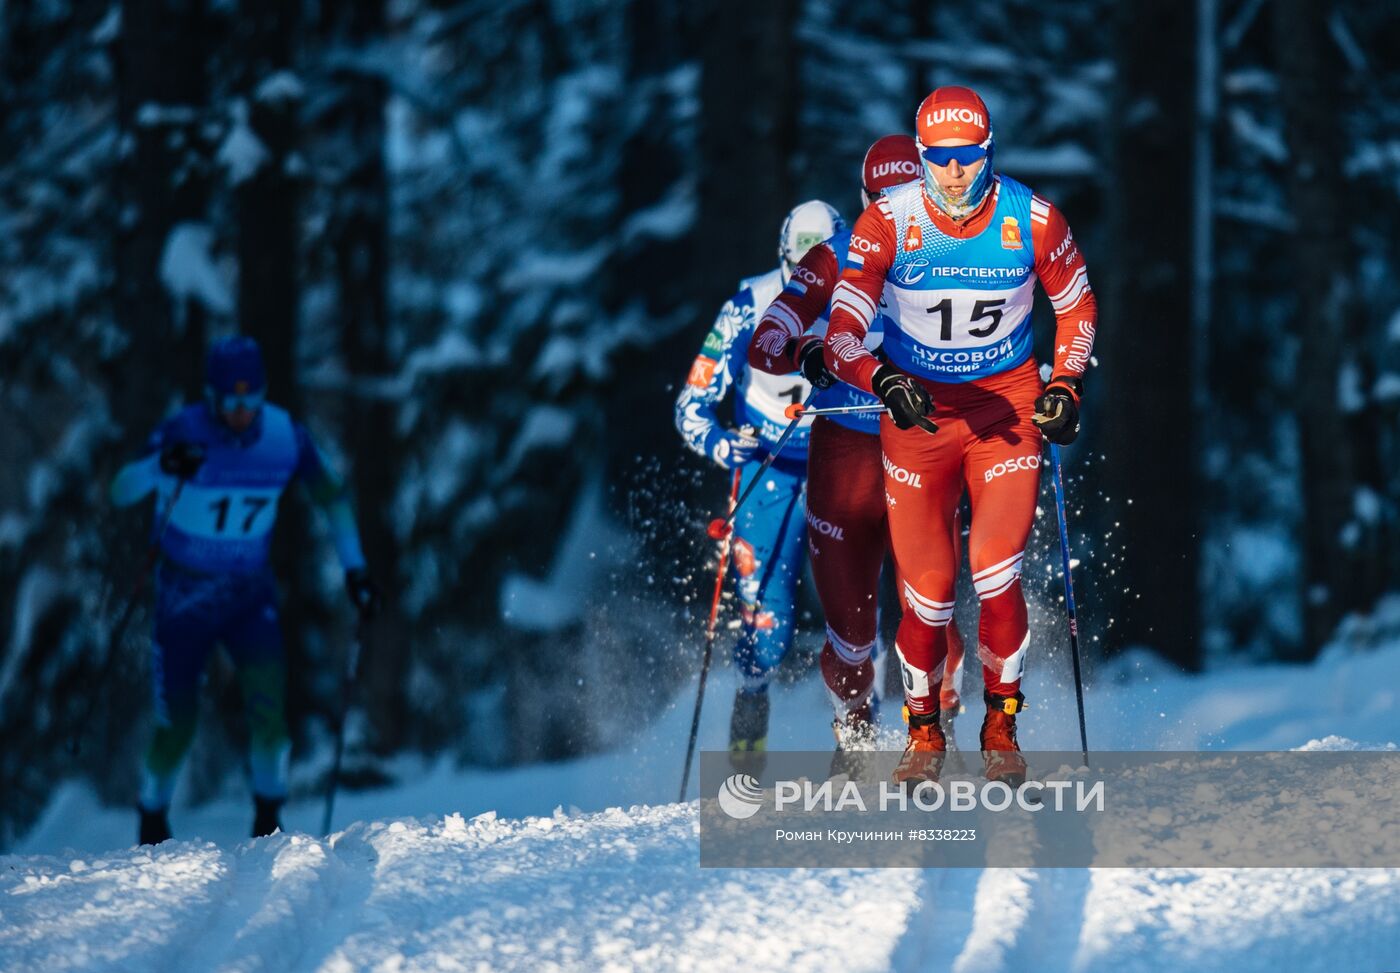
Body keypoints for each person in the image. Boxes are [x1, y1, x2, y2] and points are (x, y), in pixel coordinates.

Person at [822, 86, 1098, 787]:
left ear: (989, 152)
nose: (953, 174)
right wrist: (880, 379)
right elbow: (842, 336)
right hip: (918, 420)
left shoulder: (1032, 219)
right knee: (930, 594)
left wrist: (1065, 384)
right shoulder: (886, 223)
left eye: (967, 158)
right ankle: (924, 730)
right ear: (919, 158)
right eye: (938, 159)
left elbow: (1078, 306)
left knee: (997, 569)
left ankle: (1000, 720)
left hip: (1005, 412)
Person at [747, 135, 967, 755]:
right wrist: (807, 350)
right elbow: (765, 340)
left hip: (924, 446)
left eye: (909, 196)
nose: (897, 209)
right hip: (845, 452)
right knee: (850, 633)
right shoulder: (834, 256)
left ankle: (938, 725)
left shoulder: (962, 254)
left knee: (932, 609)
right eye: (884, 198)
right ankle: (854, 726)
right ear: (865, 198)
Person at [111, 336, 379, 844]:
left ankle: (269, 820)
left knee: (269, 713)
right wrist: (159, 465)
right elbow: (120, 488)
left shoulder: (284, 436)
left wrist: (356, 570)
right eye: (230, 402)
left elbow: (334, 496)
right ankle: (150, 816)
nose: (241, 413)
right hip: (182, 598)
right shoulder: (183, 431)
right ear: (211, 396)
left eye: (251, 400)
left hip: (247, 596)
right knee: (179, 723)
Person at [675, 200, 843, 763]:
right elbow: (691, 406)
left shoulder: (865, 302)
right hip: (765, 474)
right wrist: (724, 445)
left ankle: (865, 746)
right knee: (767, 636)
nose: (811, 284)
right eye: (802, 269)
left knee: (858, 616)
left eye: (824, 267)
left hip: (836, 468)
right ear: (783, 259)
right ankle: (746, 751)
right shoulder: (748, 305)